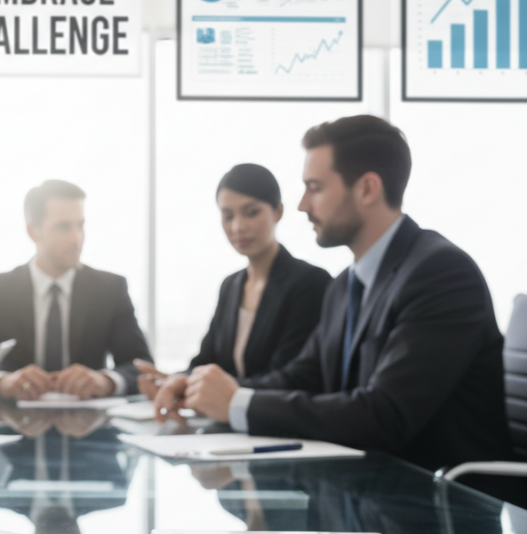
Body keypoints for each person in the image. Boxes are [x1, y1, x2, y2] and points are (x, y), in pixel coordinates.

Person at [154, 114, 514, 473]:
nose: (302, 205)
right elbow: (302, 377)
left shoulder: (441, 274)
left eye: (316, 187)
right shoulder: (345, 285)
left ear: (367, 189)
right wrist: (202, 390)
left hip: (440, 508)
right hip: (367, 492)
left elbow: (385, 414)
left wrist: (238, 403)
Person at [136, 163, 331, 397]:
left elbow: (292, 378)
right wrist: (174, 381)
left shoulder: (310, 283)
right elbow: (206, 363)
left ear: (278, 212)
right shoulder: (231, 286)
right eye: (228, 216)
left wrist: (215, 390)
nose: (238, 226)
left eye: (251, 212)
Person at [0, 179, 152, 399]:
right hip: (12, 421)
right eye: (63, 227)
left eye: (80, 225)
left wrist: (105, 381)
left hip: (89, 424)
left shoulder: (110, 289)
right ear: (33, 232)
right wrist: (1, 383)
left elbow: (142, 367)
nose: (77, 238)